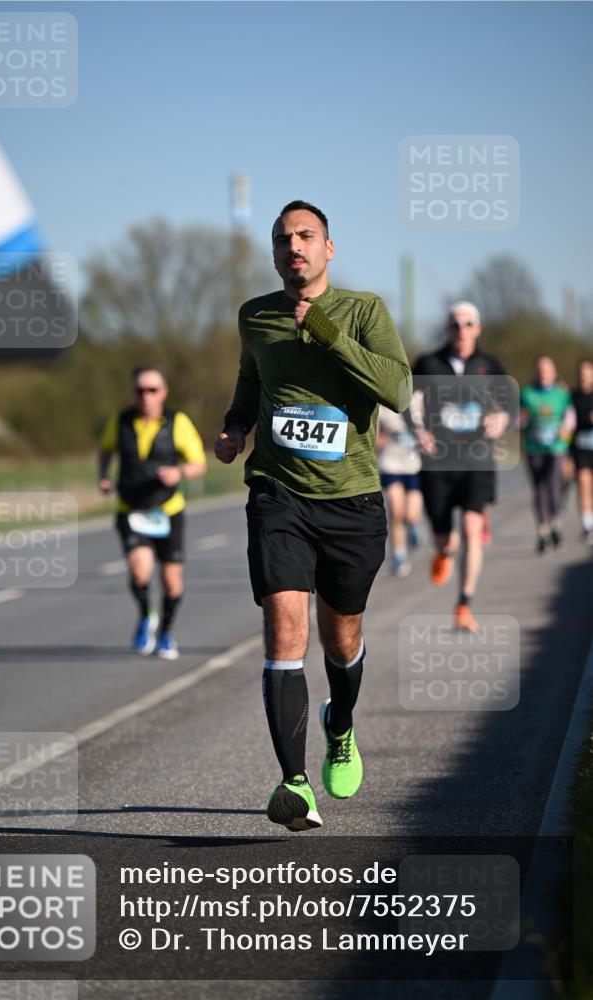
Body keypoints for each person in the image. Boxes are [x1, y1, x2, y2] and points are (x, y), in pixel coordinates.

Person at [214, 200, 411, 832]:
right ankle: (295, 783)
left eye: (305, 236)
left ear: (330, 247)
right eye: (282, 239)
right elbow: (251, 380)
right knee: (283, 629)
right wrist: (236, 425)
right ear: (274, 254)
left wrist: (327, 333)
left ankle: (341, 723)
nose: (293, 246)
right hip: (279, 493)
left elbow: (398, 391)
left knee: (342, 638)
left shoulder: (364, 311)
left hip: (352, 499)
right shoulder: (255, 316)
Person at [409, 302, 509, 632]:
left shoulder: (490, 365)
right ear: (447, 329)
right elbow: (407, 403)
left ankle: (464, 604)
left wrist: (500, 419)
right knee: (443, 539)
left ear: (478, 328)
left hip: (477, 459)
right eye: (455, 324)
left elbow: (506, 404)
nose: (461, 330)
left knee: (471, 527)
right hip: (437, 461)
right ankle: (445, 553)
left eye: (468, 324)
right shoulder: (428, 363)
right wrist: (418, 430)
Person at [98, 366, 206, 658]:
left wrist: (179, 472)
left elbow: (199, 463)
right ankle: (147, 614)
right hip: (130, 508)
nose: (146, 396)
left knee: (172, 583)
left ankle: (167, 633)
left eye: (152, 390)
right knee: (140, 568)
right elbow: (106, 449)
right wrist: (104, 475)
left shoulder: (177, 422)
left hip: (168, 509)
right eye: (140, 390)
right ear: (133, 393)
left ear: (164, 392)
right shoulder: (120, 421)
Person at [520, 357, 575, 553]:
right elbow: (519, 418)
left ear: (554, 372)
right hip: (534, 447)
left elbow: (570, 416)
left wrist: (565, 430)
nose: (543, 373)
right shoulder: (527, 393)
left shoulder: (562, 394)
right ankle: (543, 530)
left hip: (557, 448)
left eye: (547, 369)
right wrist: (522, 420)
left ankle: (555, 521)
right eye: (540, 369)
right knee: (539, 490)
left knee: (553, 486)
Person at [376, 404, 422, 576]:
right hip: (390, 463)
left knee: (411, 515)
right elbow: (376, 434)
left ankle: (413, 526)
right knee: (396, 511)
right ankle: (399, 554)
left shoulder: (419, 401)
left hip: (413, 465)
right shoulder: (382, 406)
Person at [571, 359, 593, 545]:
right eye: (581, 372)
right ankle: (587, 525)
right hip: (580, 448)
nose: (584, 376)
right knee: (583, 482)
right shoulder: (573, 397)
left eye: (587, 372)